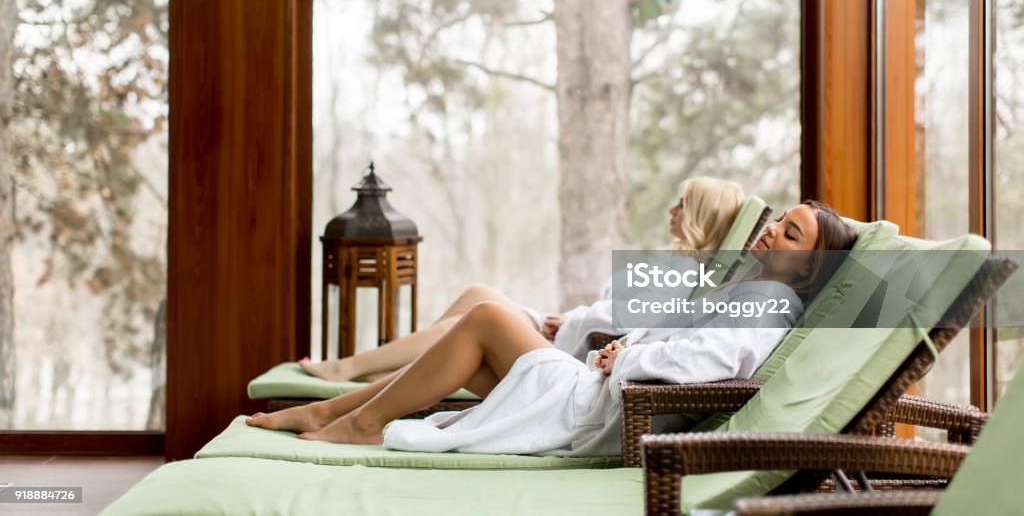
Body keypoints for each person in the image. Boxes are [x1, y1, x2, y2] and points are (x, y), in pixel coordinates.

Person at [247, 201, 857, 457]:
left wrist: (622, 359)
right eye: (780, 218)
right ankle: (330, 414)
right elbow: (682, 344)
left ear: (809, 268)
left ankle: (357, 422)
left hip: (613, 415)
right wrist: (629, 344)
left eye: (791, 233)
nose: (773, 228)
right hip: (603, 396)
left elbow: (707, 364)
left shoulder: (773, 303)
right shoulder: (752, 290)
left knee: (486, 317)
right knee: (478, 344)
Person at [299, 177, 745, 382]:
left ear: (700, 217)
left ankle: (353, 368)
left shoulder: (685, 272)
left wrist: (565, 322)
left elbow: (625, 323)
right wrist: (570, 317)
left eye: (682, 204)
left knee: (476, 315)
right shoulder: (674, 262)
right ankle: (400, 372)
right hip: (567, 333)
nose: (672, 210)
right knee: (478, 293)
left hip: (567, 353)